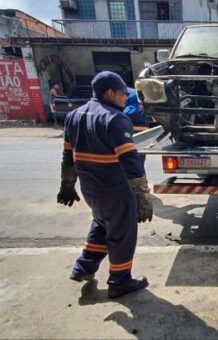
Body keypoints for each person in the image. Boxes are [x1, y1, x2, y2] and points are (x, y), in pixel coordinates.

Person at [57, 71, 154, 299]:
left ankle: (83, 268)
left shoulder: (73, 116)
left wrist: (67, 186)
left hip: (90, 190)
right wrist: (142, 195)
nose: (124, 99)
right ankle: (120, 281)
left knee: (102, 225)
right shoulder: (115, 118)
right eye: (122, 94)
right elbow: (131, 161)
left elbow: (67, 157)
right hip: (115, 190)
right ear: (110, 93)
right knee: (122, 234)